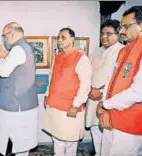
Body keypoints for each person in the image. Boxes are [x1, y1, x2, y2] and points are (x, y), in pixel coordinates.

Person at [97, 5, 142, 156]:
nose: (122, 31)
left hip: (132, 126)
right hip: (112, 117)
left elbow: (139, 92)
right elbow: (111, 81)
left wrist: (105, 105)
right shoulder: (125, 49)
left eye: (126, 26)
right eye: (121, 27)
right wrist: (105, 110)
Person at [43, 27, 92, 156]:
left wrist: (76, 105)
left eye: (63, 37)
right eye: (58, 37)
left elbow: (85, 85)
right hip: (55, 105)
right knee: (57, 139)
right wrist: (47, 95)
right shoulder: (58, 57)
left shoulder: (81, 58)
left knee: (70, 141)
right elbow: (51, 77)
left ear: (72, 39)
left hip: (70, 107)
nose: (59, 40)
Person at [0, 22, 39, 156]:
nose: (4, 39)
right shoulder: (25, 47)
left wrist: (2, 56)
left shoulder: (18, 49)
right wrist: (6, 56)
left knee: (19, 143)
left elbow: (4, 71)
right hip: (25, 105)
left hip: (17, 106)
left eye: (4, 35)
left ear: (13, 33)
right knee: (22, 143)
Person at [85, 19, 124, 156]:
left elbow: (118, 78)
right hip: (92, 96)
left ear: (118, 35)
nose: (104, 36)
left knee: (108, 133)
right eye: (102, 33)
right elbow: (88, 71)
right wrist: (89, 89)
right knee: (95, 129)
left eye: (108, 33)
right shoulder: (97, 50)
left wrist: (100, 91)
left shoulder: (122, 51)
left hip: (108, 99)